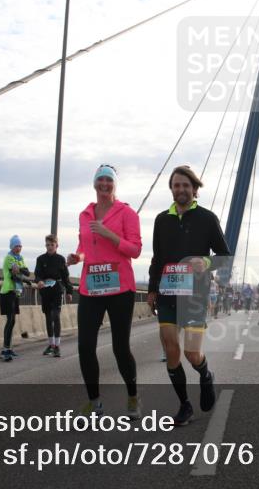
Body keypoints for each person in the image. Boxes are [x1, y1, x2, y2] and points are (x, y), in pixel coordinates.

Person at [147, 165, 230, 426]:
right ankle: (184, 405)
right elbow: (157, 258)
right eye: (176, 185)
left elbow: (224, 258)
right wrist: (151, 289)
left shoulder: (207, 218)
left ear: (195, 190)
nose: (181, 189)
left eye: (185, 185)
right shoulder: (162, 220)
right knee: (171, 349)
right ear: (171, 189)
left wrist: (206, 262)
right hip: (168, 293)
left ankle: (205, 374)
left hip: (194, 296)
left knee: (192, 354)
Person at [67, 164, 142, 418]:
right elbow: (84, 243)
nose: (104, 184)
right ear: (94, 184)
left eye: (108, 180)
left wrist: (109, 234)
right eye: (100, 179)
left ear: (114, 184)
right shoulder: (85, 214)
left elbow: (135, 250)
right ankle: (94, 402)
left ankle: (132, 397)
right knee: (85, 346)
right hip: (92, 288)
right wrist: (77, 256)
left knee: (120, 348)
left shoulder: (127, 213)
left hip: (120, 288)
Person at [34, 233, 74, 357]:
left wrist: (69, 291)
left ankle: (57, 345)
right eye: (47, 245)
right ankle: (51, 344)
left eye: (52, 245)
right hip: (45, 291)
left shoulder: (61, 259)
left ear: (57, 245)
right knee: (47, 317)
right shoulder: (41, 259)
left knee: (55, 315)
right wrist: (39, 280)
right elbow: (37, 274)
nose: (49, 247)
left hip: (57, 290)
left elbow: (65, 278)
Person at [0, 235, 32, 361]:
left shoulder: (20, 258)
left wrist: (24, 275)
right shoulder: (9, 258)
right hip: (7, 291)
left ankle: (9, 348)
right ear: (12, 247)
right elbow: (14, 276)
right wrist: (23, 275)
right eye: (16, 246)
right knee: (10, 320)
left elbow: (26, 271)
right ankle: (5, 350)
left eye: (20, 246)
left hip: (16, 292)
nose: (18, 248)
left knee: (12, 321)